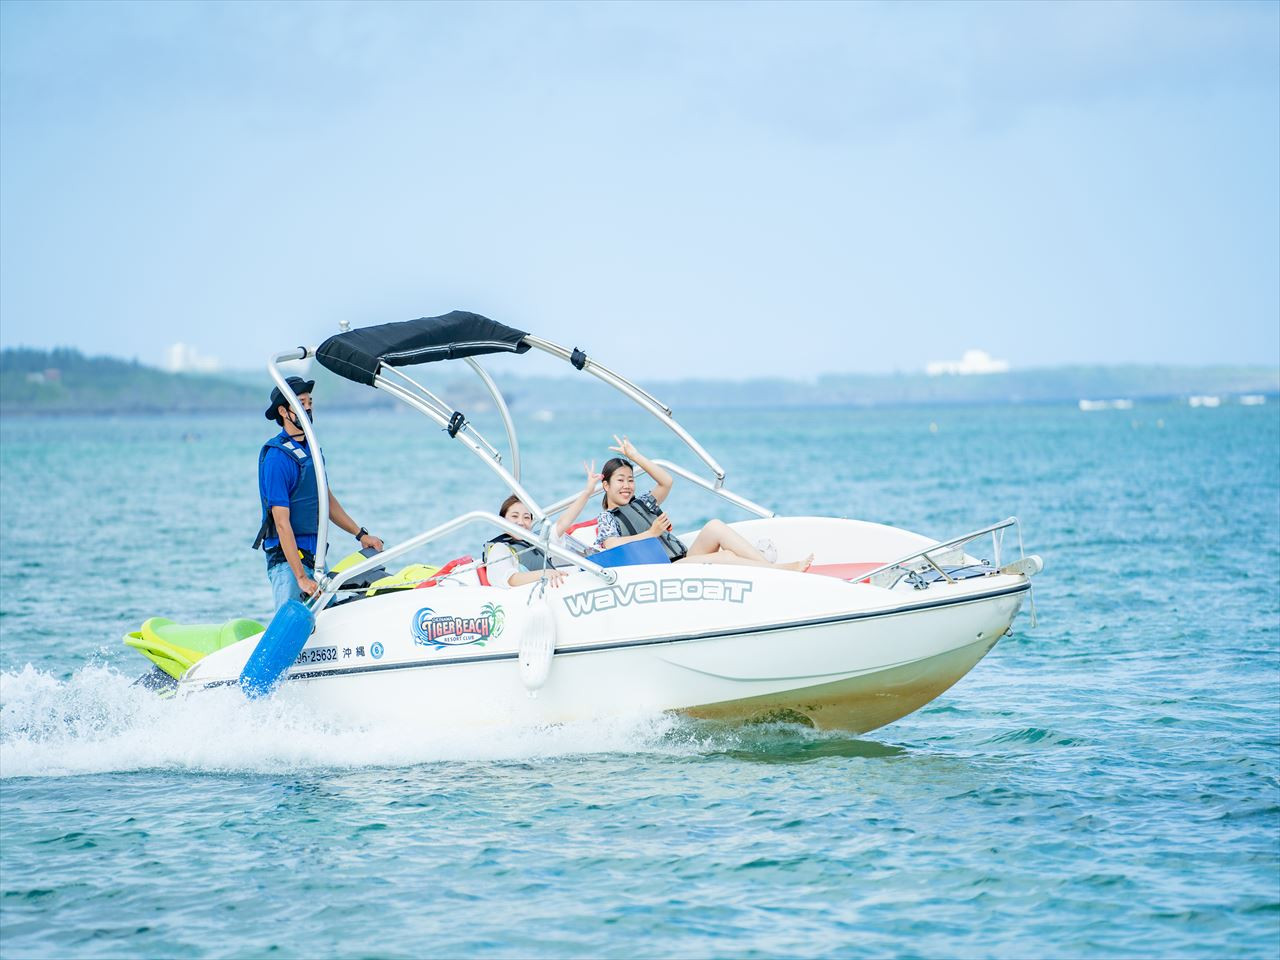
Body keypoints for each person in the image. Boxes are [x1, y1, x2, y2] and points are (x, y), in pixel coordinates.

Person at [253, 376, 385, 609]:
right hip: (287, 563)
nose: (308, 408)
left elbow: (326, 501)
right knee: (295, 623)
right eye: (301, 403)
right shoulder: (277, 458)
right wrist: (301, 578)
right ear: (283, 411)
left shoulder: (311, 450)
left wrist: (361, 535)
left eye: (310, 402)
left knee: (330, 619)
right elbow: (281, 523)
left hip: (314, 560)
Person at [595, 436, 813, 571]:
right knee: (726, 556)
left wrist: (635, 456)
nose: (627, 486)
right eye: (620, 480)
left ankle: (769, 569)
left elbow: (666, 482)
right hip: (663, 569)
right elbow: (611, 545)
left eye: (630, 480)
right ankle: (780, 570)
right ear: (606, 485)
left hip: (682, 559)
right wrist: (651, 533)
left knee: (714, 526)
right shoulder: (607, 517)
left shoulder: (642, 502)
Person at [484, 462, 601, 588]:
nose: (521, 522)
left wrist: (587, 492)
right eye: (514, 516)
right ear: (503, 520)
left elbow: (563, 523)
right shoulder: (499, 549)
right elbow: (511, 579)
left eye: (526, 517)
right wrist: (545, 573)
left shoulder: (537, 542)